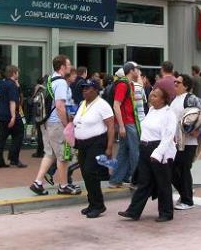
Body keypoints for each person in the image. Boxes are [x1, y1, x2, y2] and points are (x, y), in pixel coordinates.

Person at [118, 87, 176, 222]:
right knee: (144, 182)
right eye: (152, 95)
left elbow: (168, 136)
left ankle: (166, 213)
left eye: (156, 96)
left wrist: (158, 153)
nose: (152, 97)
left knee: (163, 183)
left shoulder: (168, 114)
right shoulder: (151, 110)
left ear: (163, 99)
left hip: (159, 150)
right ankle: (133, 211)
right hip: (145, 148)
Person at [29, 55, 80, 196]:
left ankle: (38, 183)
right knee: (63, 155)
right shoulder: (62, 83)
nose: (70, 67)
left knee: (50, 154)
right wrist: (67, 124)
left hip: (45, 123)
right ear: (63, 67)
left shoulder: (50, 80)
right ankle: (63, 186)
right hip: (56, 123)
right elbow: (60, 106)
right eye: (68, 65)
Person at [73, 79, 115, 218]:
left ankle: (99, 205)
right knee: (85, 174)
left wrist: (109, 148)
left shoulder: (102, 105)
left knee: (91, 172)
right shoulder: (83, 104)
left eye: (88, 88)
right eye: (83, 88)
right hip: (83, 144)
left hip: (97, 142)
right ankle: (92, 203)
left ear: (96, 90)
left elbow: (110, 126)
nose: (84, 90)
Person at [170, 74, 201, 211]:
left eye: (178, 82)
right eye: (175, 82)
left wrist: (199, 131)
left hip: (189, 143)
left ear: (186, 85)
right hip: (176, 142)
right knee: (172, 170)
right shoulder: (175, 99)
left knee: (183, 170)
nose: (175, 84)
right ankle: (186, 193)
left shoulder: (191, 98)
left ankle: (187, 201)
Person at [108, 62, 141, 188]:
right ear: (131, 70)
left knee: (124, 152)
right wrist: (121, 126)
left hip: (127, 123)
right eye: (137, 69)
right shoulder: (123, 85)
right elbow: (116, 105)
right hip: (128, 123)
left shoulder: (127, 84)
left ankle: (116, 179)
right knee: (134, 152)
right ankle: (136, 180)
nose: (138, 72)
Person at [0, 66, 26, 168]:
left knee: (2, 138)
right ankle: (14, 158)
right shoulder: (12, 85)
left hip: (2, 114)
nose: (18, 74)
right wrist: (13, 116)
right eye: (17, 73)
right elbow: (12, 101)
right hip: (11, 115)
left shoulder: (3, 83)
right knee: (19, 133)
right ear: (14, 73)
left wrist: (17, 86)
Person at [31, 76, 46, 158]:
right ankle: (42, 151)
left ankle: (40, 152)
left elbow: (34, 102)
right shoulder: (46, 91)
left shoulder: (40, 93)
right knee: (43, 134)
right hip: (45, 115)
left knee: (41, 134)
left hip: (40, 116)